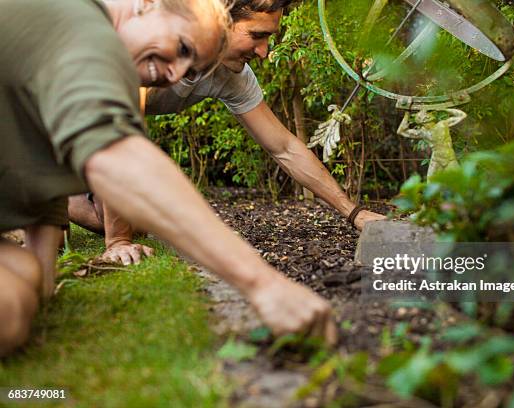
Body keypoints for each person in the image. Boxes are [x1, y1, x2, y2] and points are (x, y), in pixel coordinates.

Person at [0, 0, 335, 357]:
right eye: (183, 48)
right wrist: (262, 283)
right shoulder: (78, 26)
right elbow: (118, 159)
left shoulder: (76, 58)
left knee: (22, 292)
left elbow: (38, 156)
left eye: (191, 68)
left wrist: (42, 278)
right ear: (148, 5)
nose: (175, 76)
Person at [68, 0, 387, 265]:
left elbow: (284, 147)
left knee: (131, 218)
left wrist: (355, 214)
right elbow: (120, 132)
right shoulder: (151, 37)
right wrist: (117, 242)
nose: (263, 51)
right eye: (256, 35)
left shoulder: (231, 75)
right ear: (220, 18)